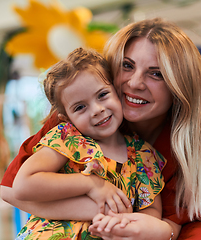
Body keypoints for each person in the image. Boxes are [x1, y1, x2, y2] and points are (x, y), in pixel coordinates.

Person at [0, 18, 201, 240]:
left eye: (156, 73)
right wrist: (96, 198)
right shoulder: (72, 124)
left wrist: (137, 225)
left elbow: (165, 219)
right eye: (127, 66)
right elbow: (12, 190)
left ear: (178, 85)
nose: (134, 83)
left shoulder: (158, 151)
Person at [13, 47, 166, 240]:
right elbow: (22, 185)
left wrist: (128, 227)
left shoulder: (144, 155)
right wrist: (91, 184)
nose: (96, 110)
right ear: (67, 118)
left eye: (102, 95)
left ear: (117, 91)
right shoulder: (68, 138)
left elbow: (151, 210)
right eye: (80, 107)